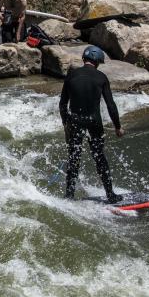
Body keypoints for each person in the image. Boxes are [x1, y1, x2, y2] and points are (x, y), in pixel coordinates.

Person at [59, 45, 124, 203]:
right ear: (98, 62)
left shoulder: (71, 76)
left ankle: (69, 196)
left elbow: (62, 105)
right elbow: (111, 105)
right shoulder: (101, 77)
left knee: (74, 158)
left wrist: (66, 124)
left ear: (84, 59)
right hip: (94, 123)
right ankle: (110, 195)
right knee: (99, 157)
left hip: (74, 122)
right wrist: (117, 127)